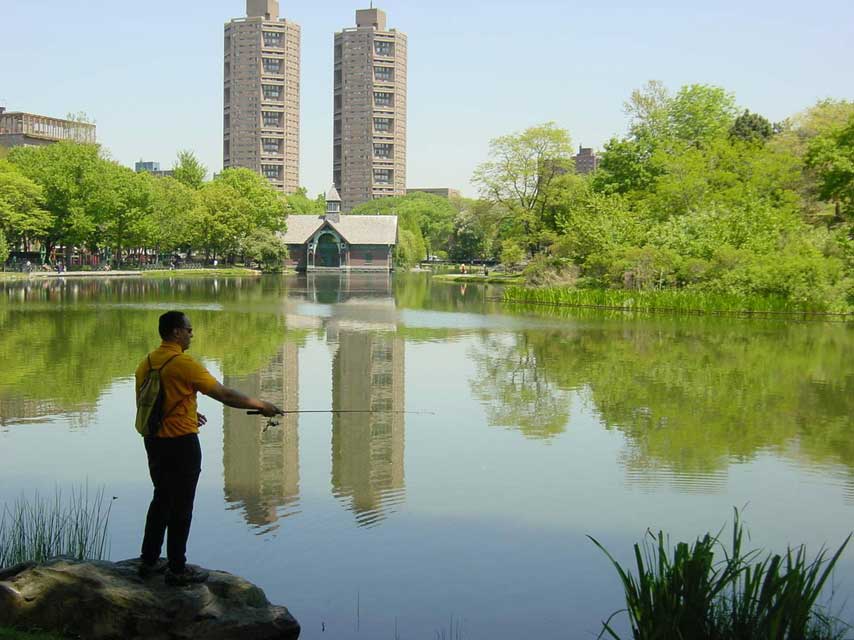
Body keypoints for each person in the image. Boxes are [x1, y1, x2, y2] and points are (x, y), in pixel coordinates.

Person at [135, 311, 282, 586]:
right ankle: (177, 568)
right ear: (176, 332)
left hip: (154, 441)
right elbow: (225, 394)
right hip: (181, 443)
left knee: (161, 499)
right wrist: (262, 405)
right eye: (189, 330)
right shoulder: (184, 364)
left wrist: (191, 412)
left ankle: (149, 560)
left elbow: (153, 402)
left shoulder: (146, 363)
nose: (192, 334)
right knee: (181, 505)